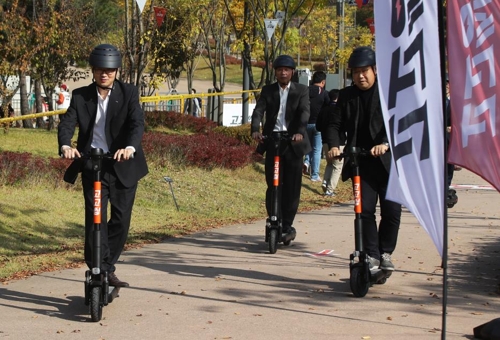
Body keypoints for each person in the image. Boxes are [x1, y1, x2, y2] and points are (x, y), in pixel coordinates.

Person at [58, 44, 149, 287]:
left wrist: (130, 147)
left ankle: (107, 266)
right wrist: (66, 144)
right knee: (95, 219)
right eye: (99, 70)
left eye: (109, 70)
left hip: (123, 165)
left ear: (116, 71)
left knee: (120, 220)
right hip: (93, 165)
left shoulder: (129, 93)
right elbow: (67, 123)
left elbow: (136, 123)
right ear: (93, 71)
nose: (104, 74)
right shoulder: (80, 96)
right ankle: (97, 267)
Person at [325, 46, 402, 271]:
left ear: (374, 70)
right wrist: (334, 145)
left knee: (391, 213)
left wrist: (385, 143)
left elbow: (397, 123)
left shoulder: (388, 92)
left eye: (365, 71)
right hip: (362, 164)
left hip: (387, 165)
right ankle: (372, 255)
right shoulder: (347, 96)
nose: (360, 76)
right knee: (364, 211)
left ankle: (385, 252)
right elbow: (334, 124)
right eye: (356, 72)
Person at [251, 54, 311, 237]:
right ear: (275, 72)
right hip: (273, 142)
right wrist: (255, 129)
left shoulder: (301, 90)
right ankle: (273, 218)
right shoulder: (268, 90)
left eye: (286, 70)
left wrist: (300, 131)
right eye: (279, 70)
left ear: (292, 72)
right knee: (273, 184)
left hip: (293, 143)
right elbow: (259, 111)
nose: (283, 73)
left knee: (292, 187)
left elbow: (304, 112)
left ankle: (287, 225)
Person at [303, 71, 330, 182]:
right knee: (317, 150)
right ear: (323, 82)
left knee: (308, 146)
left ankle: (306, 162)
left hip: (305, 123)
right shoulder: (324, 93)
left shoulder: (305, 91)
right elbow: (329, 107)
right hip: (318, 125)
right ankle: (314, 175)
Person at [318, 89, 343, 197]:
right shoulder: (339, 109)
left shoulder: (323, 110)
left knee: (329, 163)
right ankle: (330, 189)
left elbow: (318, 126)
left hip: (325, 140)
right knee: (337, 166)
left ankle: (325, 181)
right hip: (339, 142)